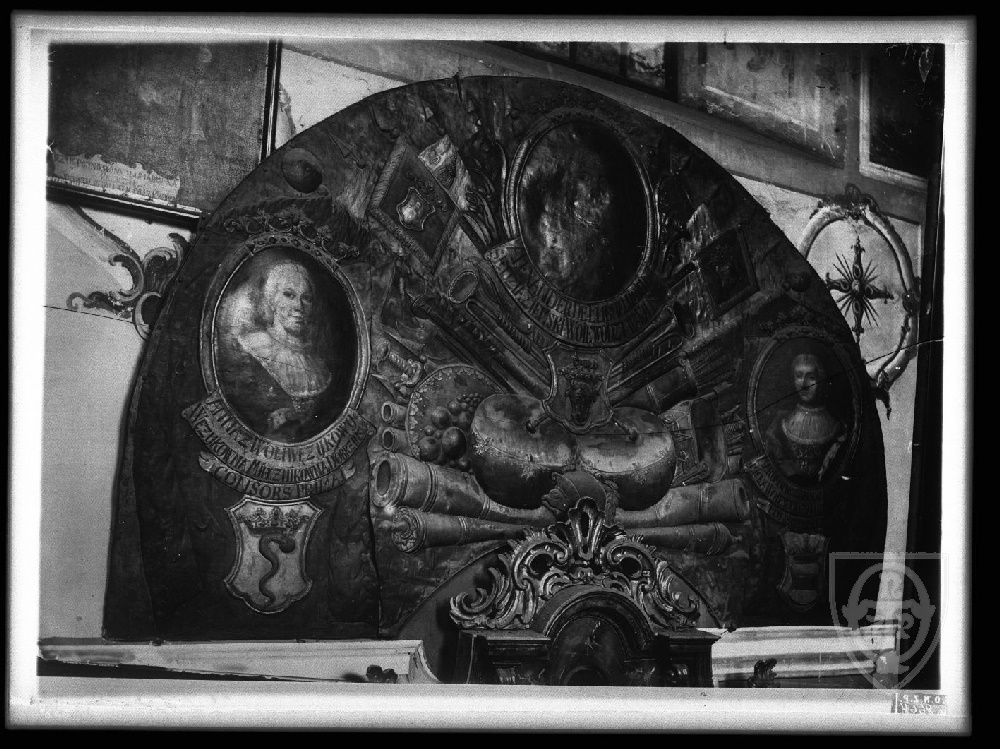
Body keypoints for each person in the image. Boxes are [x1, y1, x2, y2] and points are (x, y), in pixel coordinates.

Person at [217, 259, 344, 443]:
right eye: (288, 295)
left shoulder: (318, 365)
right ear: (272, 300)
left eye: (306, 298)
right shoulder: (253, 346)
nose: (299, 306)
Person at [763, 353, 846, 485]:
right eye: (799, 376)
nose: (804, 384)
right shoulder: (780, 422)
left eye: (811, 377)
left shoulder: (838, 427)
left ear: (820, 380)